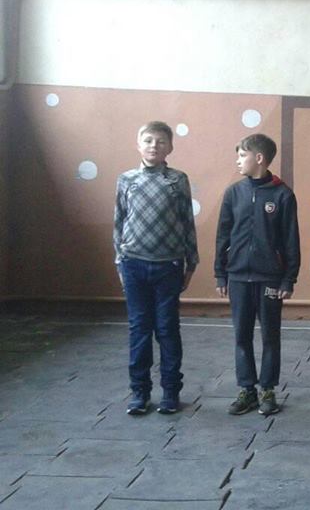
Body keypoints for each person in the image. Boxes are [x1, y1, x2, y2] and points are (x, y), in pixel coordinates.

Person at [114, 121, 198, 415]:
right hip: (133, 264)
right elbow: (119, 222)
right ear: (138, 145)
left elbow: (187, 222)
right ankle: (139, 393)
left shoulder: (177, 180)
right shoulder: (126, 180)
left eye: (161, 141)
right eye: (148, 140)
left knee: (167, 328)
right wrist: (119, 263)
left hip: (169, 266)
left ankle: (171, 393)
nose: (154, 146)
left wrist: (191, 262)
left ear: (170, 147)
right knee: (139, 329)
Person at [215, 134, 300, 416]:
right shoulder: (233, 193)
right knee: (241, 335)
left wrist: (288, 279)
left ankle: (268, 390)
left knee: (270, 336)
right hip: (238, 277)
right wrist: (220, 273)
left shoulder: (283, 195)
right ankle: (247, 390)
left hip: (270, 279)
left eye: (242, 155)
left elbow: (291, 241)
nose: (238, 161)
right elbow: (222, 236)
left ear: (259, 158)